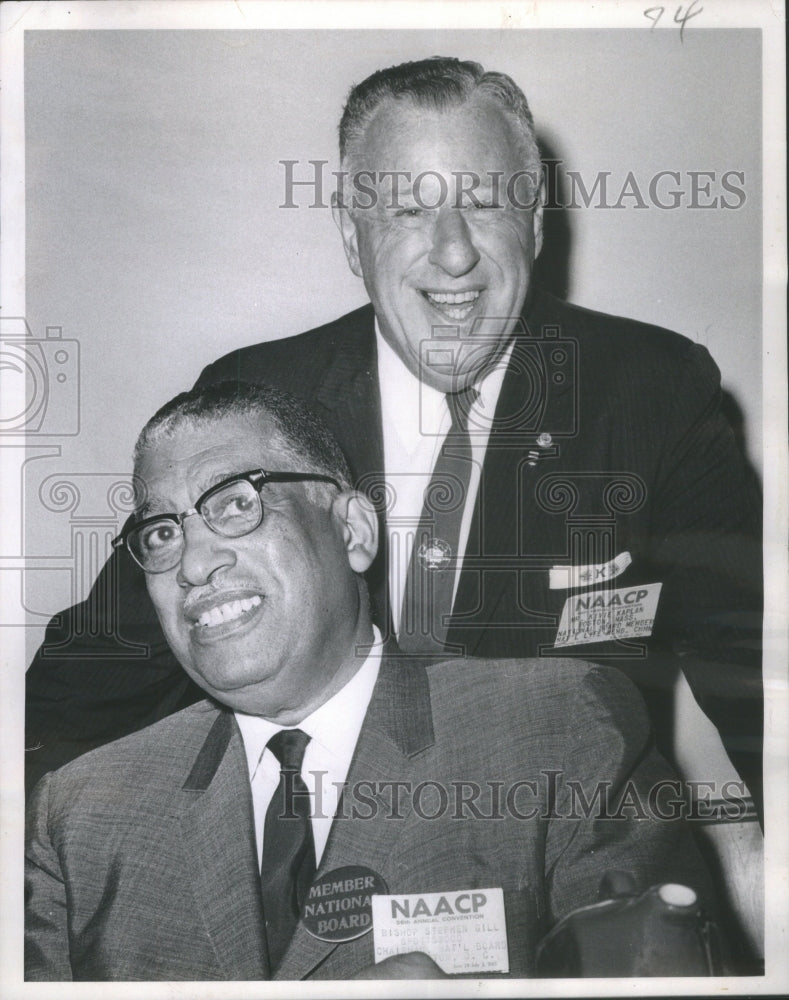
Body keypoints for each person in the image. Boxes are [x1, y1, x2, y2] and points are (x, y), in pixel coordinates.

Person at [26, 56, 762, 821]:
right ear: (352, 237)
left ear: (536, 223)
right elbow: (85, 688)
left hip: (563, 864)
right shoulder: (255, 406)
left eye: (483, 202)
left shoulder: (653, 391)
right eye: (408, 211)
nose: (453, 253)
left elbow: (759, 679)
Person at [25, 382, 719, 981]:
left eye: (235, 504)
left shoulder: (560, 732)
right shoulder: (81, 814)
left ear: (353, 529)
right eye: (160, 534)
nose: (193, 563)